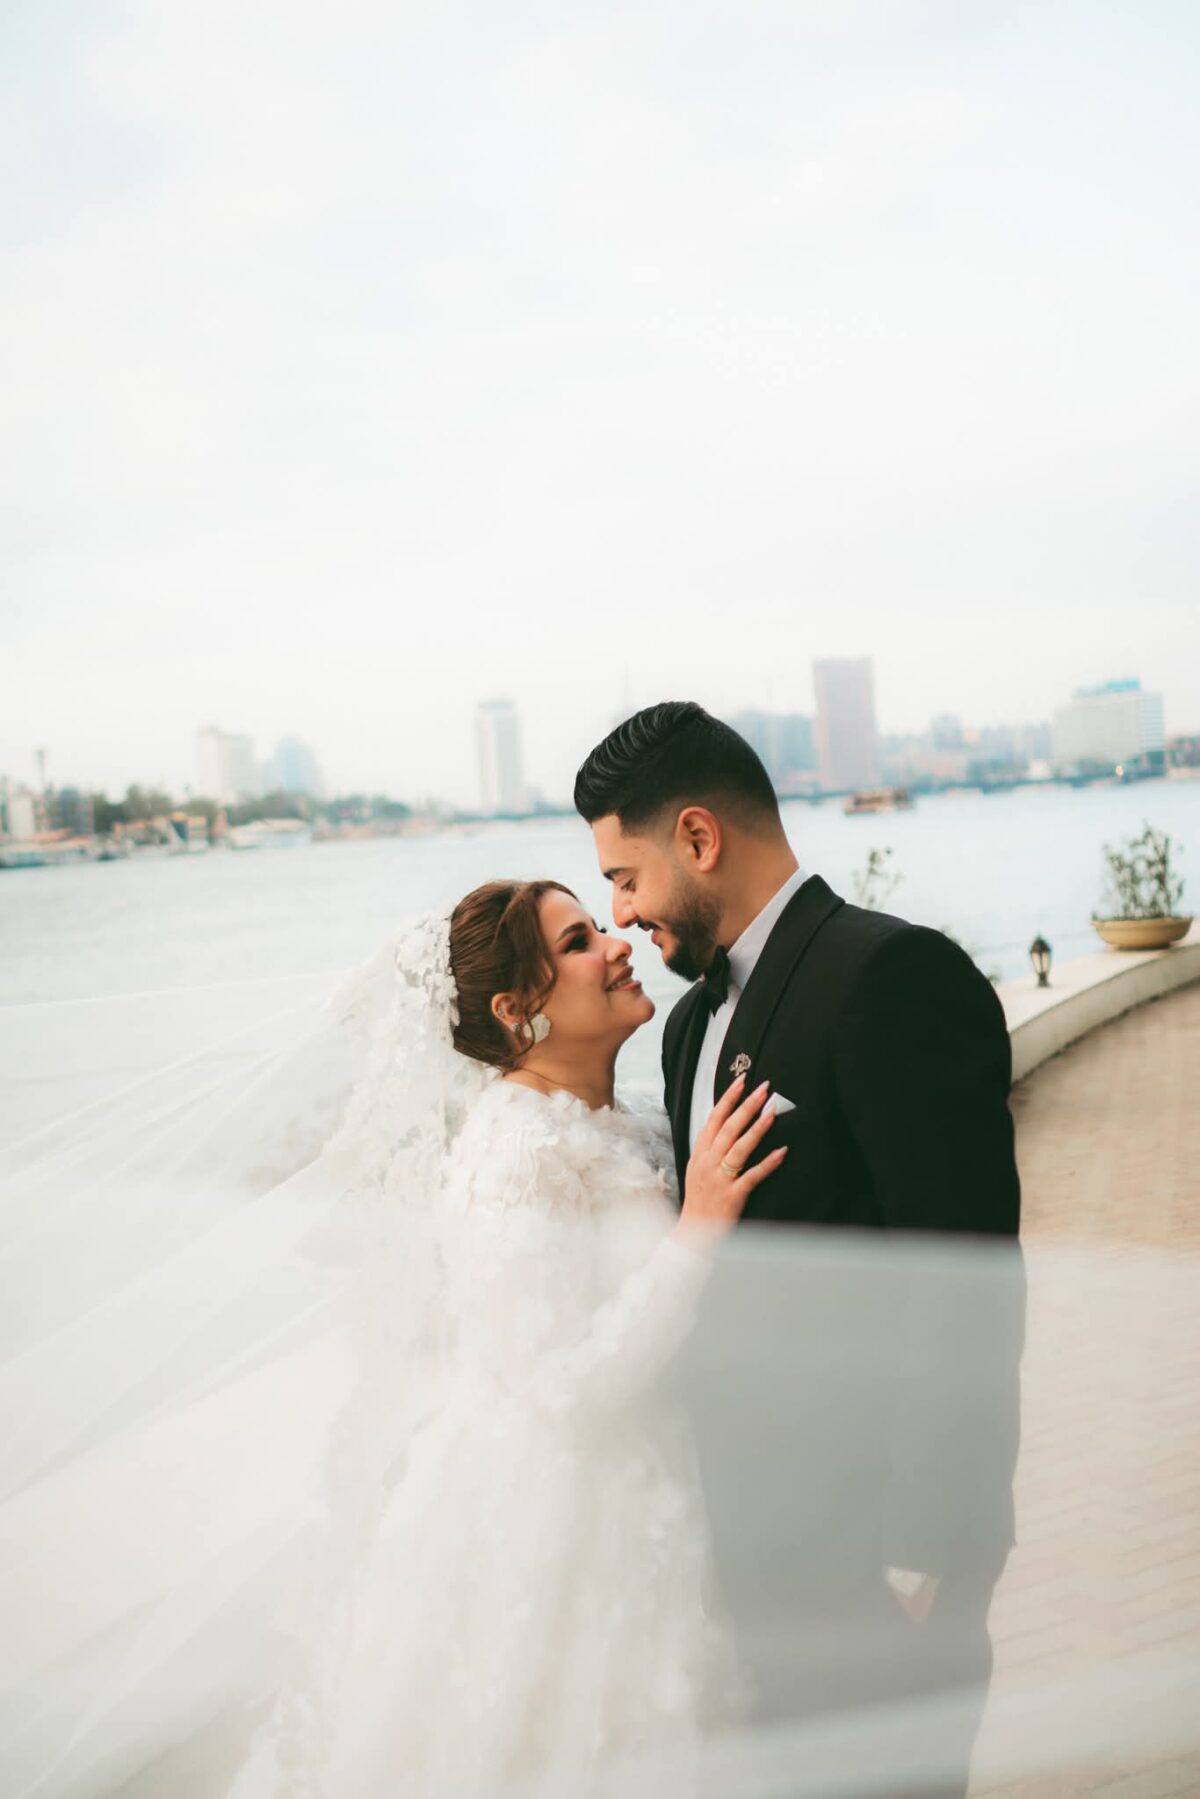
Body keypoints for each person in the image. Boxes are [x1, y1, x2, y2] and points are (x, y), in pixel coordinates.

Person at [226, 878, 787, 1797]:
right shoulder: (512, 1154)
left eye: (599, 925)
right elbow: (559, 1387)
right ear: (516, 1007)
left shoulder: (627, 1118)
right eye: (578, 942)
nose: (617, 943)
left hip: (668, 1494)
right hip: (570, 1535)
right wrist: (696, 1232)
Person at [575, 700, 1026, 1799]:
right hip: (747, 1553)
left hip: (875, 1557)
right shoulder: (687, 1026)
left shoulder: (893, 974)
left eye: (625, 877)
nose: (620, 912)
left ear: (697, 836)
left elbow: (964, 1274)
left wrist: (924, 1543)